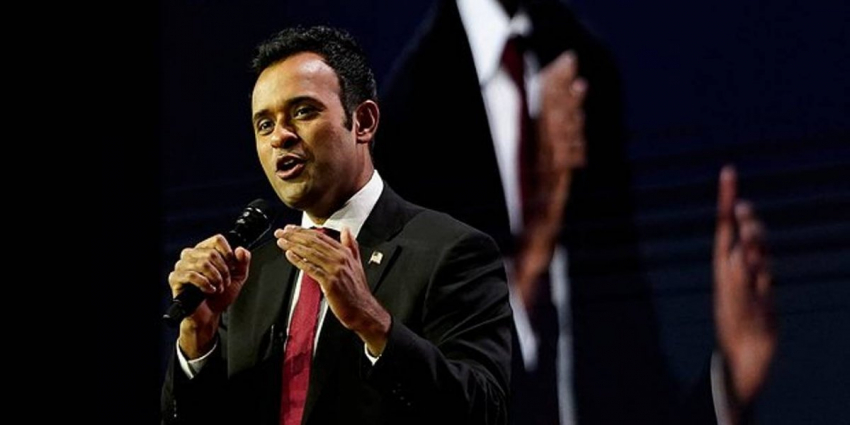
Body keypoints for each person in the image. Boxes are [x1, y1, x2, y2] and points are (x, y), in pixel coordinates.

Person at [375, 0, 777, 424]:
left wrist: (728, 387)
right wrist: (535, 248)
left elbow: (632, 385)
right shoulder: (401, 114)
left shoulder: (590, 69)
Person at [160, 25, 513, 425]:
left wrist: (372, 321)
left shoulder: (451, 251)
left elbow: (485, 411)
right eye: (265, 124)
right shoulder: (248, 279)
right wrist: (197, 337)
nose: (280, 137)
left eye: (303, 111)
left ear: (363, 121)